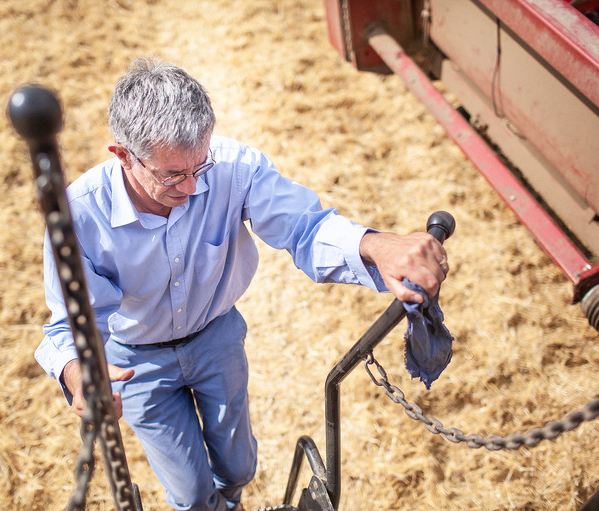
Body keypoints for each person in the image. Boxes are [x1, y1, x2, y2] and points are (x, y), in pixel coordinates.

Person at [35, 57, 449, 511]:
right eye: (172, 174)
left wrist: (375, 244)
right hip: (136, 362)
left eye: (200, 166)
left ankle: (231, 500)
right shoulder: (77, 217)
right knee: (191, 493)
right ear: (123, 156)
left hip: (217, 338)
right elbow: (68, 329)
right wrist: (80, 374)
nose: (192, 187)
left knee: (238, 468)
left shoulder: (234, 167)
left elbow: (304, 228)